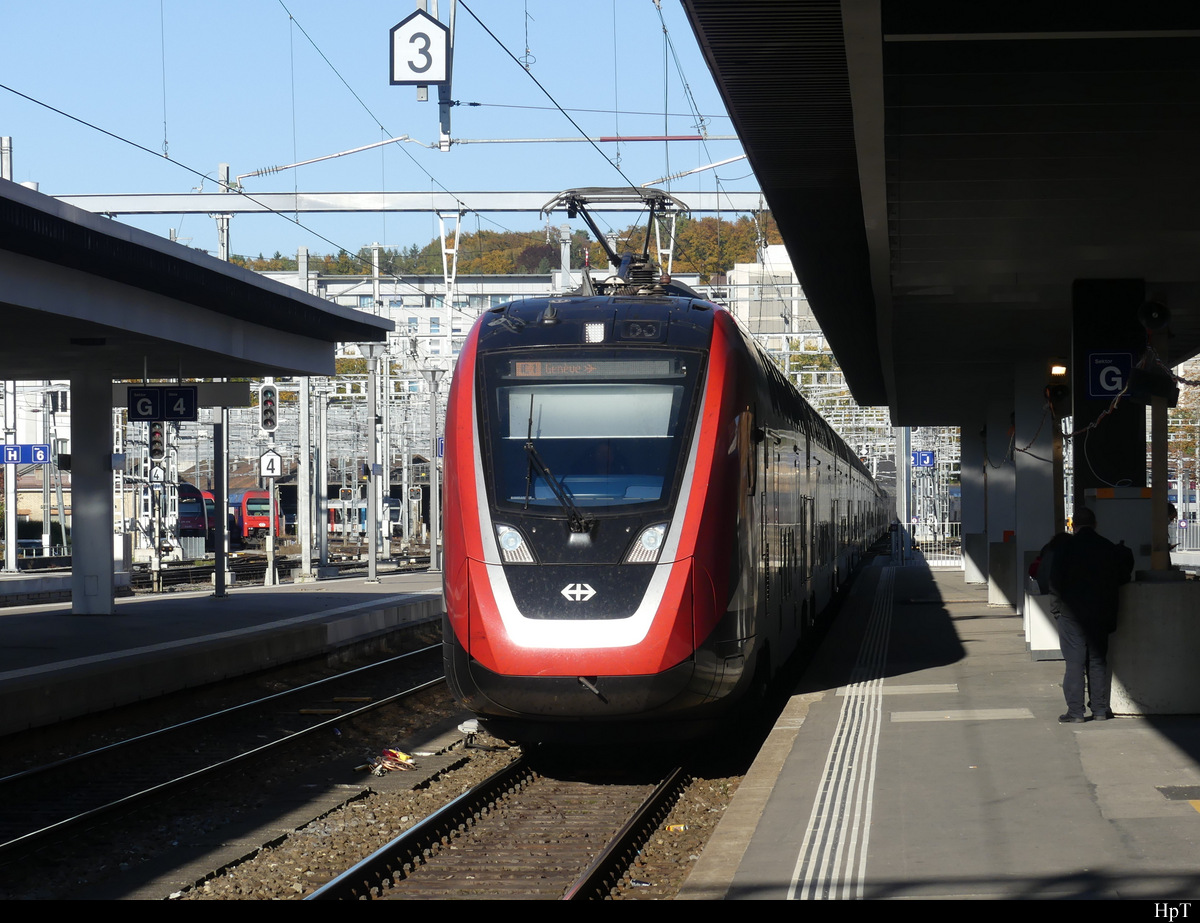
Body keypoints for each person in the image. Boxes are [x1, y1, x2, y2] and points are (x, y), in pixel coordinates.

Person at [1047, 506, 1135, 723]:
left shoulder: (1065, 548)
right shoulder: (1107, 547)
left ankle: (1076, 712)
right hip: (1101, 612)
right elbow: (1123, 576)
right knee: (1097, 660)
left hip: (1071, 613)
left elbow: (1054, 581)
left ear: (1073, 525)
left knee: (1074, 662)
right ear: (1095, 525)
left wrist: (1055, 608)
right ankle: (1099, 710)